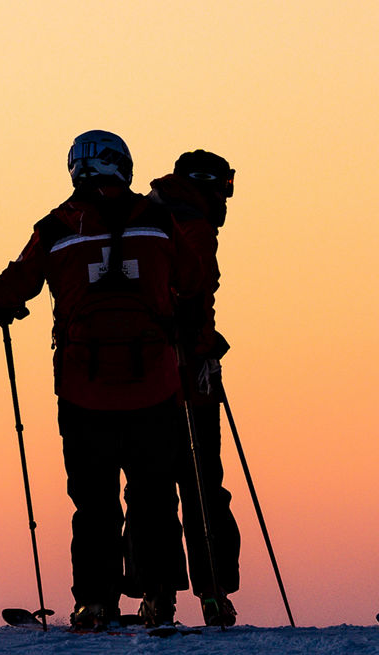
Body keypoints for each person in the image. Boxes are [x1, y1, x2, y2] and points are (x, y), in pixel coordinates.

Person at [0, 130, 210, 629]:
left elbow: (8, 289)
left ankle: (95, 600)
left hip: (83, 390)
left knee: (93, 502)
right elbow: (193, 281)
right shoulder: (158, 221)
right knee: (154, 494)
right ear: (122, 166)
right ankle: (159, 596)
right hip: (155, 384)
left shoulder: (57, 226)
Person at [147, 150, 241, 627]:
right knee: (204, 484)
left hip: (144, 374)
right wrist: (206, 347)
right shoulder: (196, 225)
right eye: (226, 187)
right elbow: (196, 291)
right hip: (188, 371)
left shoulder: (147, 213)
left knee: (151, 487)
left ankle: (157, 593)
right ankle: (213, 592)